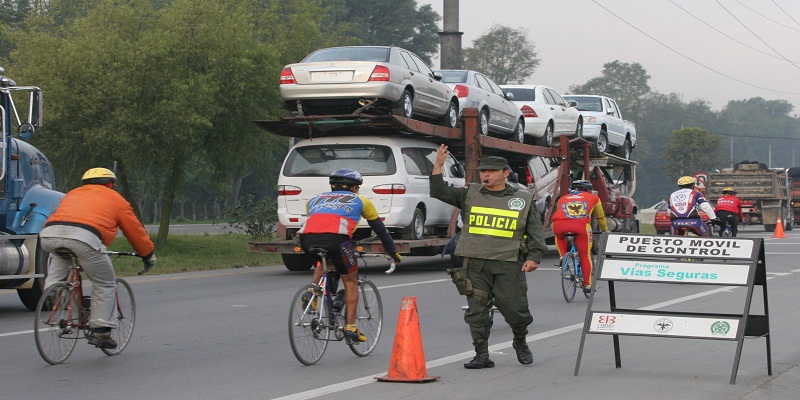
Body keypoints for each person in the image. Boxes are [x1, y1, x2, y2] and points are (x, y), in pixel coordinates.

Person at [430, 145, 547, 369]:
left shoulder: (522, 199)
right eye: (483, 171)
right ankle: (481, 354)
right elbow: (439, 191)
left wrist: (534, 257)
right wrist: (438, 165)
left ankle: (520, 341)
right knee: (477, 310)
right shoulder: (470, 194)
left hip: (508, 263)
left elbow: (535, 232)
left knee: (516, 311)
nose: (486, 175)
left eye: (492, 171)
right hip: (474, 262)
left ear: (505, 173)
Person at [39, 167, 156, 350]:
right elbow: (135, 231)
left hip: (49, 236)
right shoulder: (115, 199)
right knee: (105, 283)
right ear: (111, 184)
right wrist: (147, 254)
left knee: (60, 257)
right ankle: (100, 330)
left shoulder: (71, 194)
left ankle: (54, 292)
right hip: (84, 239)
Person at [297, 168, 402, 343]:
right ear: (354, 188)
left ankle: (312, 291)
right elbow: (381, 231)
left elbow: (319, 224)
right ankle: (351, 327)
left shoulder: (314, 200)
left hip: (306, 238)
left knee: (324, 260)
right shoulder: (361, 201)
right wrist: (394, 253)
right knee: (351, 281)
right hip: (336, 239)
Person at [551, 179, 609, 294]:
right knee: (584, 255)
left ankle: (563, 256)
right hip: (580, 226)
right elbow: (600, 218)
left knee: (559, 237)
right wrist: (605, 230)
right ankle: (587, 285)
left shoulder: (563, 198)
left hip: (558, 225)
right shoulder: (594, 198)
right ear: (589, 190)